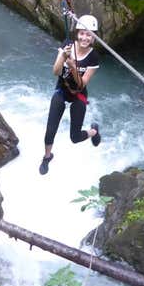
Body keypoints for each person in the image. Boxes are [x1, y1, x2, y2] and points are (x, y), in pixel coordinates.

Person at [40, 14, 102, 175]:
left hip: (78, 95)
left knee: (75, 138)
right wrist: (62, 56)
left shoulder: (93, 57)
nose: (85, 37)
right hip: (61, 90)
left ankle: (94, 131)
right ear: (77, 33)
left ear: (93, 37)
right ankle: (47, 157)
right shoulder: (67, 45)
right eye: (82, 33)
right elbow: (55, 72)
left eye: (89, 34)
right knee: (50, 129)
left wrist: (73, 67)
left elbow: (81, 84)